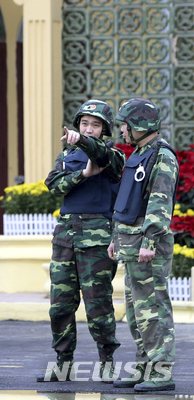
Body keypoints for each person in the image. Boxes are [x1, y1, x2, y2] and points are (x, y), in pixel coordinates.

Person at [38, 100, 125, 383]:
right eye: (85, 123)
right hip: (65, 237)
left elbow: (99, 154)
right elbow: (53, 184)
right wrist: (83, 174)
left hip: (97, 239)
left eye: (96, 125)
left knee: (98, 305)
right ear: (77, 125)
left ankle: (107, 360)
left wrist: (87, 145)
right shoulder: (66, 156)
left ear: (105, 130)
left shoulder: (112, 155)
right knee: (60, 305)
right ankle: (63, 362)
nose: (89, 128)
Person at [108, 98, 178, 392]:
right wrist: (116, 239)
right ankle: (143, 367)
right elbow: (127, 204)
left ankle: (161, 373)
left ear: (139, 126)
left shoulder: (162, 157)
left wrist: (148, 242)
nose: (122, 130)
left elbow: (159, 205)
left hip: (148, 249)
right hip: (131, 246)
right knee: (137, 312)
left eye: (126, 125)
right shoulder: (140, 153)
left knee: (154, 311)